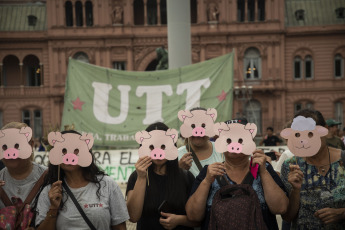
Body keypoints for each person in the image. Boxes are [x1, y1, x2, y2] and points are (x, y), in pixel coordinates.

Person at [185, 121, 288, 230]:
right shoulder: (209, 172)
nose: (234, 144)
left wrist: (263, 172)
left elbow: (281, 208)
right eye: (228, 140)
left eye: (241, 139)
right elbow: (193, 216)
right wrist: (206, 181)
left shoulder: (264, 169)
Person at [34, 130, 129, 230]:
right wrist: (53, 208)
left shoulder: (107, 184)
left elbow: (120, 226)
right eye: (63, 150)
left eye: (76, 149)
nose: (69, 155)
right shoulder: (50, 191)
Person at [126, 122, 198, 230]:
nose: (158, 151)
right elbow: (133, 217)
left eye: (163, 146)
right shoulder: (136, 177)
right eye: (151, 147)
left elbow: (198, 218)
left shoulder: (186, 177)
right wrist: (141, 178)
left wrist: (179, 220)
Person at [280, 109, 345, 229]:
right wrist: (295, 190)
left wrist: (341, 213)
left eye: (310, 134)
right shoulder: (291, 165)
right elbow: (288, 217)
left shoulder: (343, 160)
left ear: (324, 130)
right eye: (299, 134)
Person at [0, 122, 47, 209]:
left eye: (17, 146)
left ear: (31, 145)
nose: (10, 152)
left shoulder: (49, 177)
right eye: (5, 147)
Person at [178, 108, 222, 177]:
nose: (198, 132)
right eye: (193, 126)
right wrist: (179, 170)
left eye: (203, 126)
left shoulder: (222, 151)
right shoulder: (178, 155)